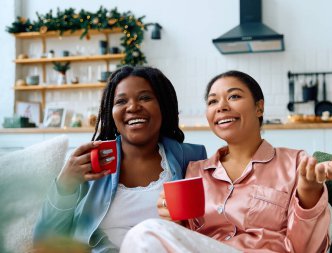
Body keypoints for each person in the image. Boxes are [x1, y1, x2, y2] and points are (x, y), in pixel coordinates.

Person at [121, 70, 332, 253]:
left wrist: (309, 193)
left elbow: (307, 249)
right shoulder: (197, 171)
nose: (221, 106)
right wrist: (173, 221)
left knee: (145, 232)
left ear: (259, 107)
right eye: (212, 101)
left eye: (234, 96)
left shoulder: (295, 163)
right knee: (146, 235)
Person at [33, 66, 207, 252]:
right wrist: (65, 184)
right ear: (111, 112)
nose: (132, 107)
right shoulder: (88, 164)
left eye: (145, 98)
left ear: (163, 106)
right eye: (121, 101)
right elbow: (45, 242)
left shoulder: (191, 158)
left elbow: (208, 228)